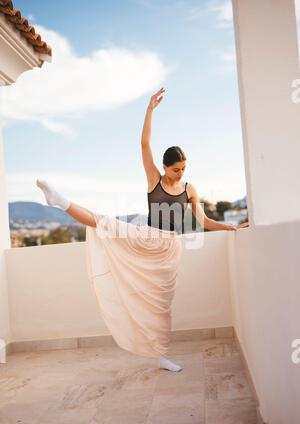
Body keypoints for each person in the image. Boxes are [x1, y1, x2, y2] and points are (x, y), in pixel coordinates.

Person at [36, 87, 249, 373]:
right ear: (165, 167)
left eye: (184, 168)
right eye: (176, 169)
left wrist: (231, 227)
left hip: (170, 251)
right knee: (106, 223)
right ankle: (60, 201)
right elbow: (144, 144)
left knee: (161, 307)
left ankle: (161, 355)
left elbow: (205, 222)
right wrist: (149, 109)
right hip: (147, 239)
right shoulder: (155, 180)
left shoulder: (190, 189)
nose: (181, 173)